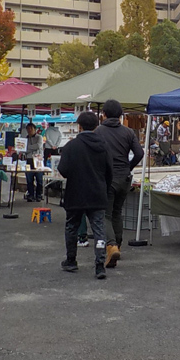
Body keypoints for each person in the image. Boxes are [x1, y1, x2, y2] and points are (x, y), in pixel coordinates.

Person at [57, 111, 112, 279]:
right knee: (99, 229)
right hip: (97, 193)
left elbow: (63, 170)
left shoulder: (71, 146)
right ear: (96, 126)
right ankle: (99, 265)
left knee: (72, 227)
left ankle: (71, 260)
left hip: (75, 193)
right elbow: (110, 171)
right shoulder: (104, 146)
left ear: (79, 126)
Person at [95, 99, 144, 268]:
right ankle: (118, 245)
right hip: (124, 177)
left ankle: (111, 245)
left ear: (104, 114)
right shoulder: (129, 132)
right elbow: (139, 153)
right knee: (117, 212)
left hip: (107, 177)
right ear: (121, 115)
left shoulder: (99, 131)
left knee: (105, 214)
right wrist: (128, 166)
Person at [23, 123, 45, 202]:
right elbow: (24, 149)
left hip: (38, 160)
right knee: (29, 179)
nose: (29, 130)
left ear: (35, 129)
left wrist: (28, 148)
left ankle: (39, 195)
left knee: (39, 179)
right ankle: (31, 195)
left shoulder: (39, 137)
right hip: (29, 159)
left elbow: (38, 146)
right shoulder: (25, 139)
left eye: (31, 129)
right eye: (28, 129)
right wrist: (29, 148)